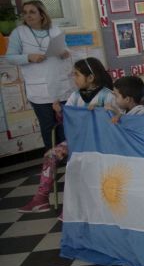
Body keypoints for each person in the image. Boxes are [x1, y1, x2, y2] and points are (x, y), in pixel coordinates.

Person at [18, 58, 114, 214]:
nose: (73, 78)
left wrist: (100, 112)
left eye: (76, 75)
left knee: (80, 165)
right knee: (51, 155)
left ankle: (76, 208)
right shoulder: (75, 96)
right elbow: (68, 121)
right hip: (76, 141)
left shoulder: (108, 96)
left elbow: (114, 122)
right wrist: (60, 112)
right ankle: (41, 199)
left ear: (90, 77)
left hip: (101, 143)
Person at [5, 0, 73, 148]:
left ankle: (69, 162)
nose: (27, 16)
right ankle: (53, 164)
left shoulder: (55, 29)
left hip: (60, 85)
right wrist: (28, 57)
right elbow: (10, 57)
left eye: (32, 12)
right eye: (25, 12)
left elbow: (66, 50)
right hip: (39, 90)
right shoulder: (19, 33)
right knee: (48, 128)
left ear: (42, 14)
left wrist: (65, 53)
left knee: (65, 126)